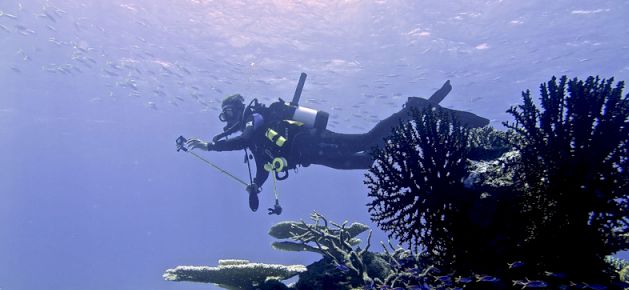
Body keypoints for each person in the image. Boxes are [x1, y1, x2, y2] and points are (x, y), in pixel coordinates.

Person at [185, 80, 489, 212]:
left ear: (236, 109)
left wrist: (211, 147)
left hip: (311, 142)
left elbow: (247, 139)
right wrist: (257, 186)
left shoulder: (255, 118)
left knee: (366, 140)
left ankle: (410, 110)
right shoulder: (253, 133)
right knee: (366, 160)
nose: (226, 121)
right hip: (308, 155)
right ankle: (408, 128)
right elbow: (264, 161)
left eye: (227, 114)